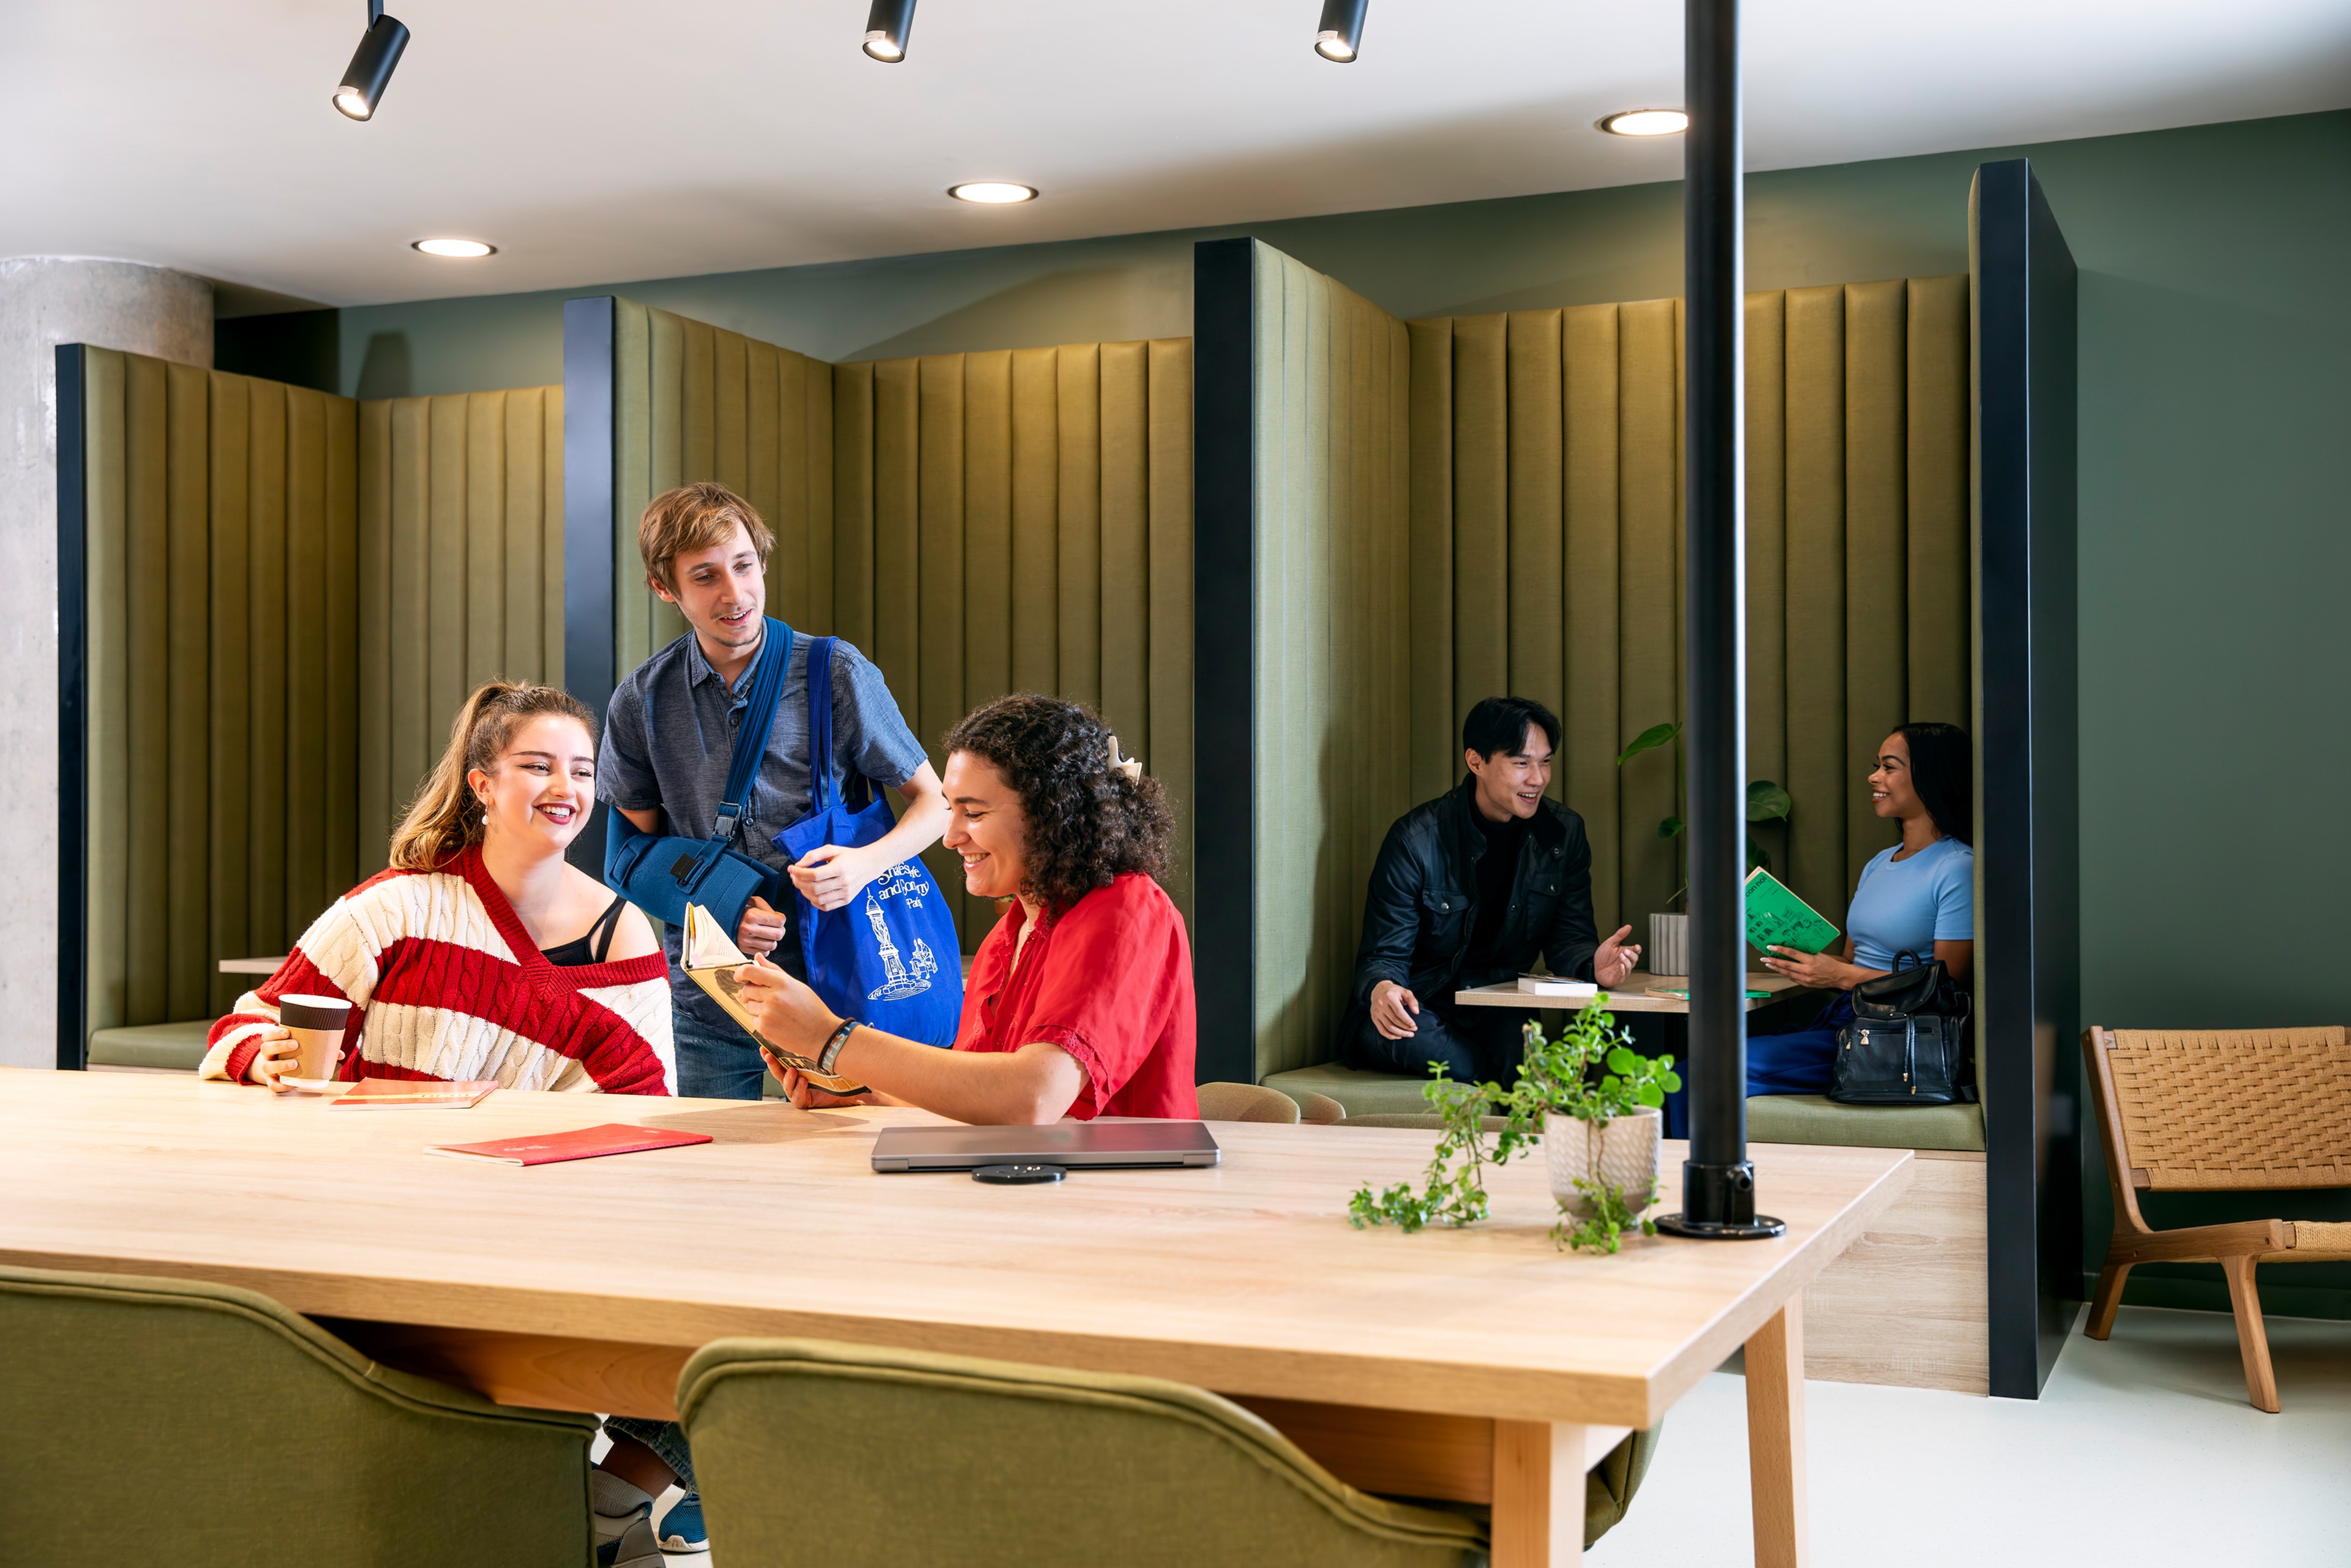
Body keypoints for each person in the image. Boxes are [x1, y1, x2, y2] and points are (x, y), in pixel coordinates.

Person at [598, 482, 949, 1103]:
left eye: (743, 566)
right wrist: (723, 904)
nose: (734, 594)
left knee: (845, 1158)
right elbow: (632, 856)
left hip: (838, 985)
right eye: (705, 576)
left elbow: (936, 804)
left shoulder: (835, 671)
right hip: (712, 994)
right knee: (717, 1162)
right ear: (663, 587)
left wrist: (864, 864)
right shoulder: (641, 699)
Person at [742, 692, 1198, 1122]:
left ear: (1053, 813)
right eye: (951, 811)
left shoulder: (1128, 909)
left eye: (974, 813)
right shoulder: (1006, 937)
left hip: (1121, 1181)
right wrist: (861, 1093)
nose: (950, 837)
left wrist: (831, 1038)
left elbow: (1033, 1098)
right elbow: (981, 1095)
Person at [198, 682, 673, 1093]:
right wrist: (264, 1059)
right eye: (538, 767)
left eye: (583, 771)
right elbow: (252, 1023)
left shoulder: (621, 933)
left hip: (545, 1169)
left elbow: (647, 1099)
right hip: (382, 1159)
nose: (566, 788)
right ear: (483, 785)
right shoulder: (397, 907)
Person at [1343, 696, 1641, 1087]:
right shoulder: (1415, 840)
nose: (1538, 779)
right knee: (1454, 1056)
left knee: (1529, 1065)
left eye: (1545, 762)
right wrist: (1383, 988)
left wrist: (1593, 966)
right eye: (1521, 763)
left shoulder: (1562, 834)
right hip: (1419, 1006)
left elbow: (1569, 939)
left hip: (1496, 1007)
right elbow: (1384, 954)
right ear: (1476, 762)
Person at [1749, 721, 1975, 1096]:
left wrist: (1839, 976)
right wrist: (1803, 960)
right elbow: (1851, 961)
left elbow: (1946, 988)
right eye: (1877, 766)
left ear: (1931, 776)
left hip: (1892, 1037)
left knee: (1715, 1069)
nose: (1874, 777)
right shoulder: (1879, 863)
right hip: (1845, 1018)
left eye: (1889, 767)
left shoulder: (1957, 868)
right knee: (1709, 1062)